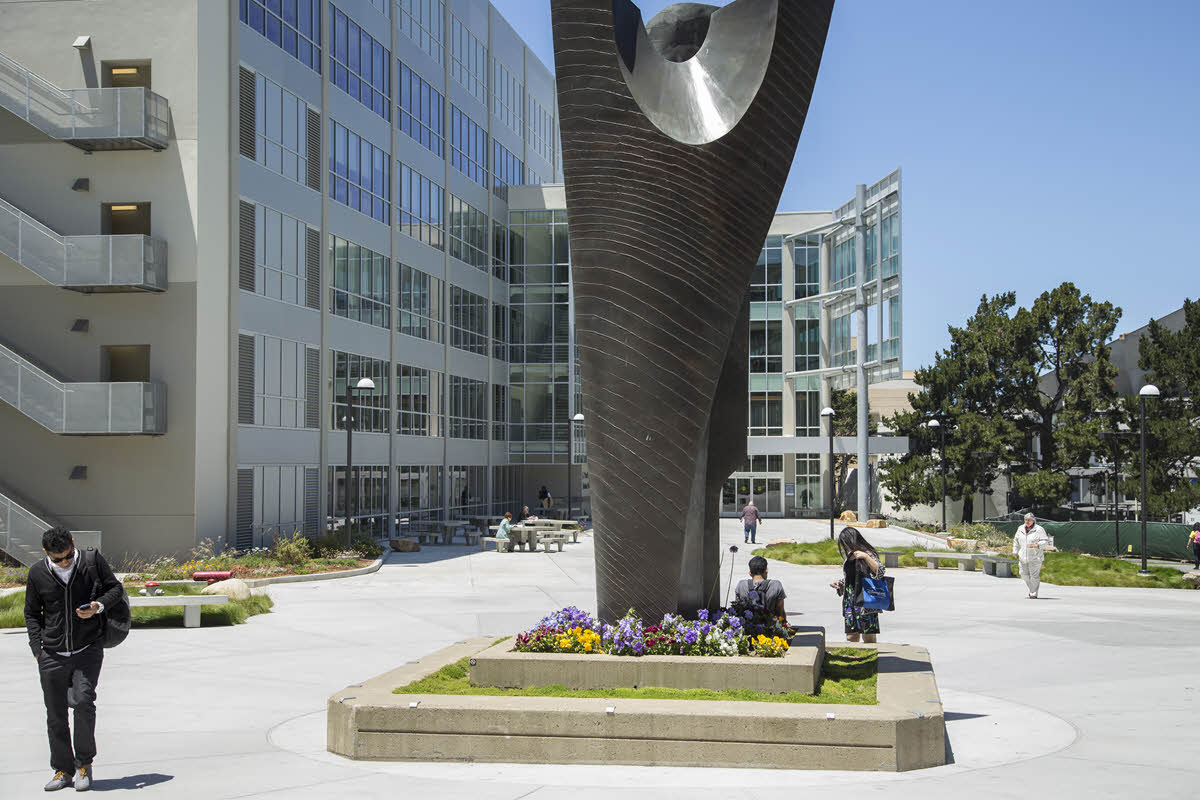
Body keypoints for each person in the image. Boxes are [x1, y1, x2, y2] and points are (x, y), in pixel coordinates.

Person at [25, 526, 123, 792]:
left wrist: (96, 607)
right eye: (57, 559)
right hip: (52, 653)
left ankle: (83, 764)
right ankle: (62, 769)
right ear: (46, 553)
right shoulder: (37, 573)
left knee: (83, 702)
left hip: (87, 650)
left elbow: (115, 589)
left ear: (73, 544)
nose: (64, 562)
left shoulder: (91, 562)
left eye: (67, 556)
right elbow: (32, 613)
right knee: (55, 714)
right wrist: (37, 648)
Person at [830, 526, 884, 643]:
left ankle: (870, 659)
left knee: (868, 636)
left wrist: (865, 557)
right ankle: (854, 658)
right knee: (851, 636)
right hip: (850, 601)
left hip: (866, 601)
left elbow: (880, 572)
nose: (846, 547)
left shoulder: (868, 553)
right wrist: (840, 583)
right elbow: (850, 577)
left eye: (846, 543)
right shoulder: (849, 557)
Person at [734, 555, 788, 626]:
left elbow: (737, 608)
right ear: (766, 570)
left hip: (747, 629)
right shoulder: (776, 585)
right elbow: (780, 610)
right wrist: (784, 624)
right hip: (770, 628)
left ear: (750, 572)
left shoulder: (741, 585)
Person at [1012, 512, 1055, 598]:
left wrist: (1038, 545)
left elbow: (1045, 541)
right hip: (1023, 556)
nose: (1027, 521)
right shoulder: (1020, 528)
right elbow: (1016, 540)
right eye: (1026, 520)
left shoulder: (1039, 529)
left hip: (1035, 556)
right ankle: (1032, 589)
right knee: (1023, 574)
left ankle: (1033, 592)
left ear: (1033, 520)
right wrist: (1015, 551)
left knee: (1034, 575)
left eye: (1029, 520)